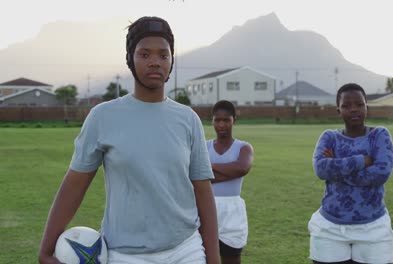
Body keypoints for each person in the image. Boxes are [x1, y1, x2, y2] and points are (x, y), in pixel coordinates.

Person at [38, 16, 219, 264]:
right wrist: (46, 250)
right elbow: (75, 185)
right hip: (125, 255)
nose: (155, 62)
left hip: (185, 250)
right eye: (144, 54)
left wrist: (214, 257)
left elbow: (203, 191)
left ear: (171, 61)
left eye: (163, 55)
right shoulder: (103, 116)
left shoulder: (188, 119)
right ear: (130, 59)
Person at [308, 83, 393, 264]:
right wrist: (362, 161)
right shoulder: (329, 137)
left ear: (367, 107)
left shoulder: (379, 135)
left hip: (373, 226)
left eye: (359, 104)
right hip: (330, 227)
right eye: (346, 106)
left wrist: (337, 169)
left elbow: (381, 173)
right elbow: (321, 169)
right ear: (338, 110)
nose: (354, 109)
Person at [207, 100, 254, 264]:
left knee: (232, 258)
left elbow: (242, 168)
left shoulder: (244, 147)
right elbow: (194, 177)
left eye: (226, 120)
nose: (221, 124)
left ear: (234, 120)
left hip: (233, 212)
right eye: (217, 120)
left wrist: (210, 168)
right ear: (212, 120)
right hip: (206, 208)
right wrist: (230, 171)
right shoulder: (203, 147)